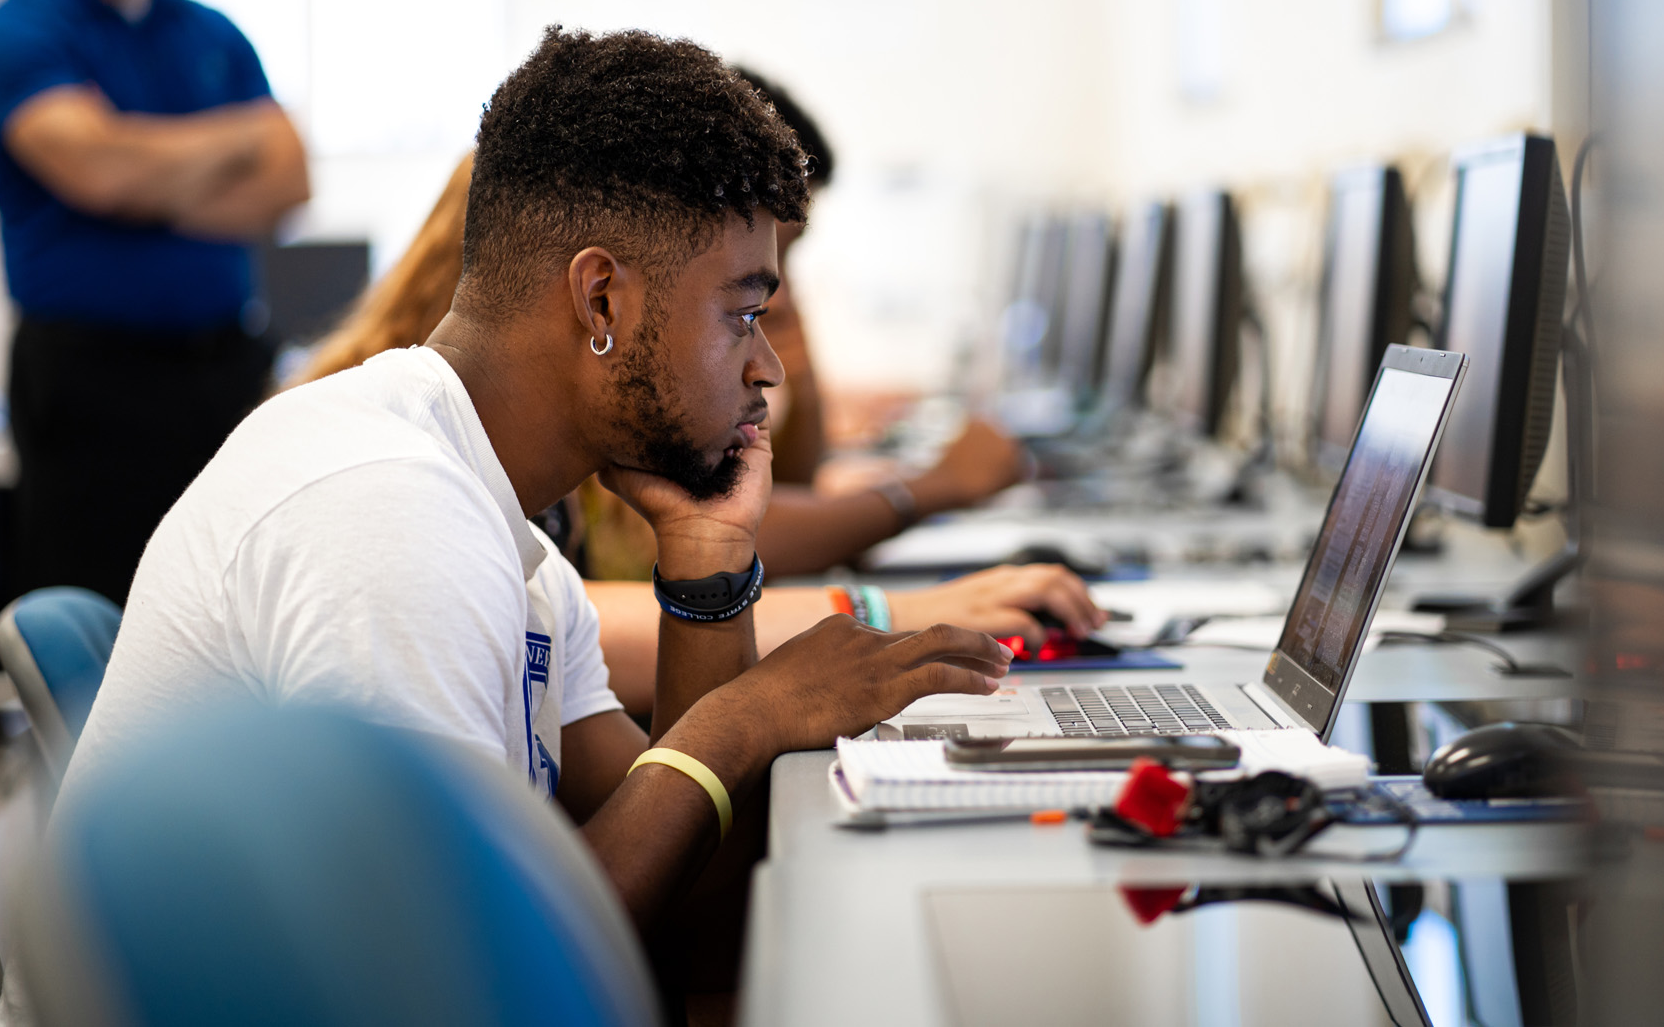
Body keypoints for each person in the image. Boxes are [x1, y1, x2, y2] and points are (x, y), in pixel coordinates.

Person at [60, 26, 1015, 955]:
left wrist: (711, 566)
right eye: (743, 313)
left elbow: (691, 907)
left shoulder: (507, 537)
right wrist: (750, 714)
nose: (765, 365)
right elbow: (472, 974)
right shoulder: (390, 511)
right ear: (601, 300)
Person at [292, 88, 1098, 716]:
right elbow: (601, 626)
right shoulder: (403, 496)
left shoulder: (532, 508)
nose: (771, 350)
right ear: (603, 295)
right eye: (746, 304)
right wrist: (857, 625)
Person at [0, 0, 309, 604]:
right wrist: (230, 142)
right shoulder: (17, 32)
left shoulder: (210, 31)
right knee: (100, 629)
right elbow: (97, 172)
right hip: (91, 388)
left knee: (235, 613)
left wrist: (140, 175)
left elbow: (289, 178)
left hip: (224, 374)